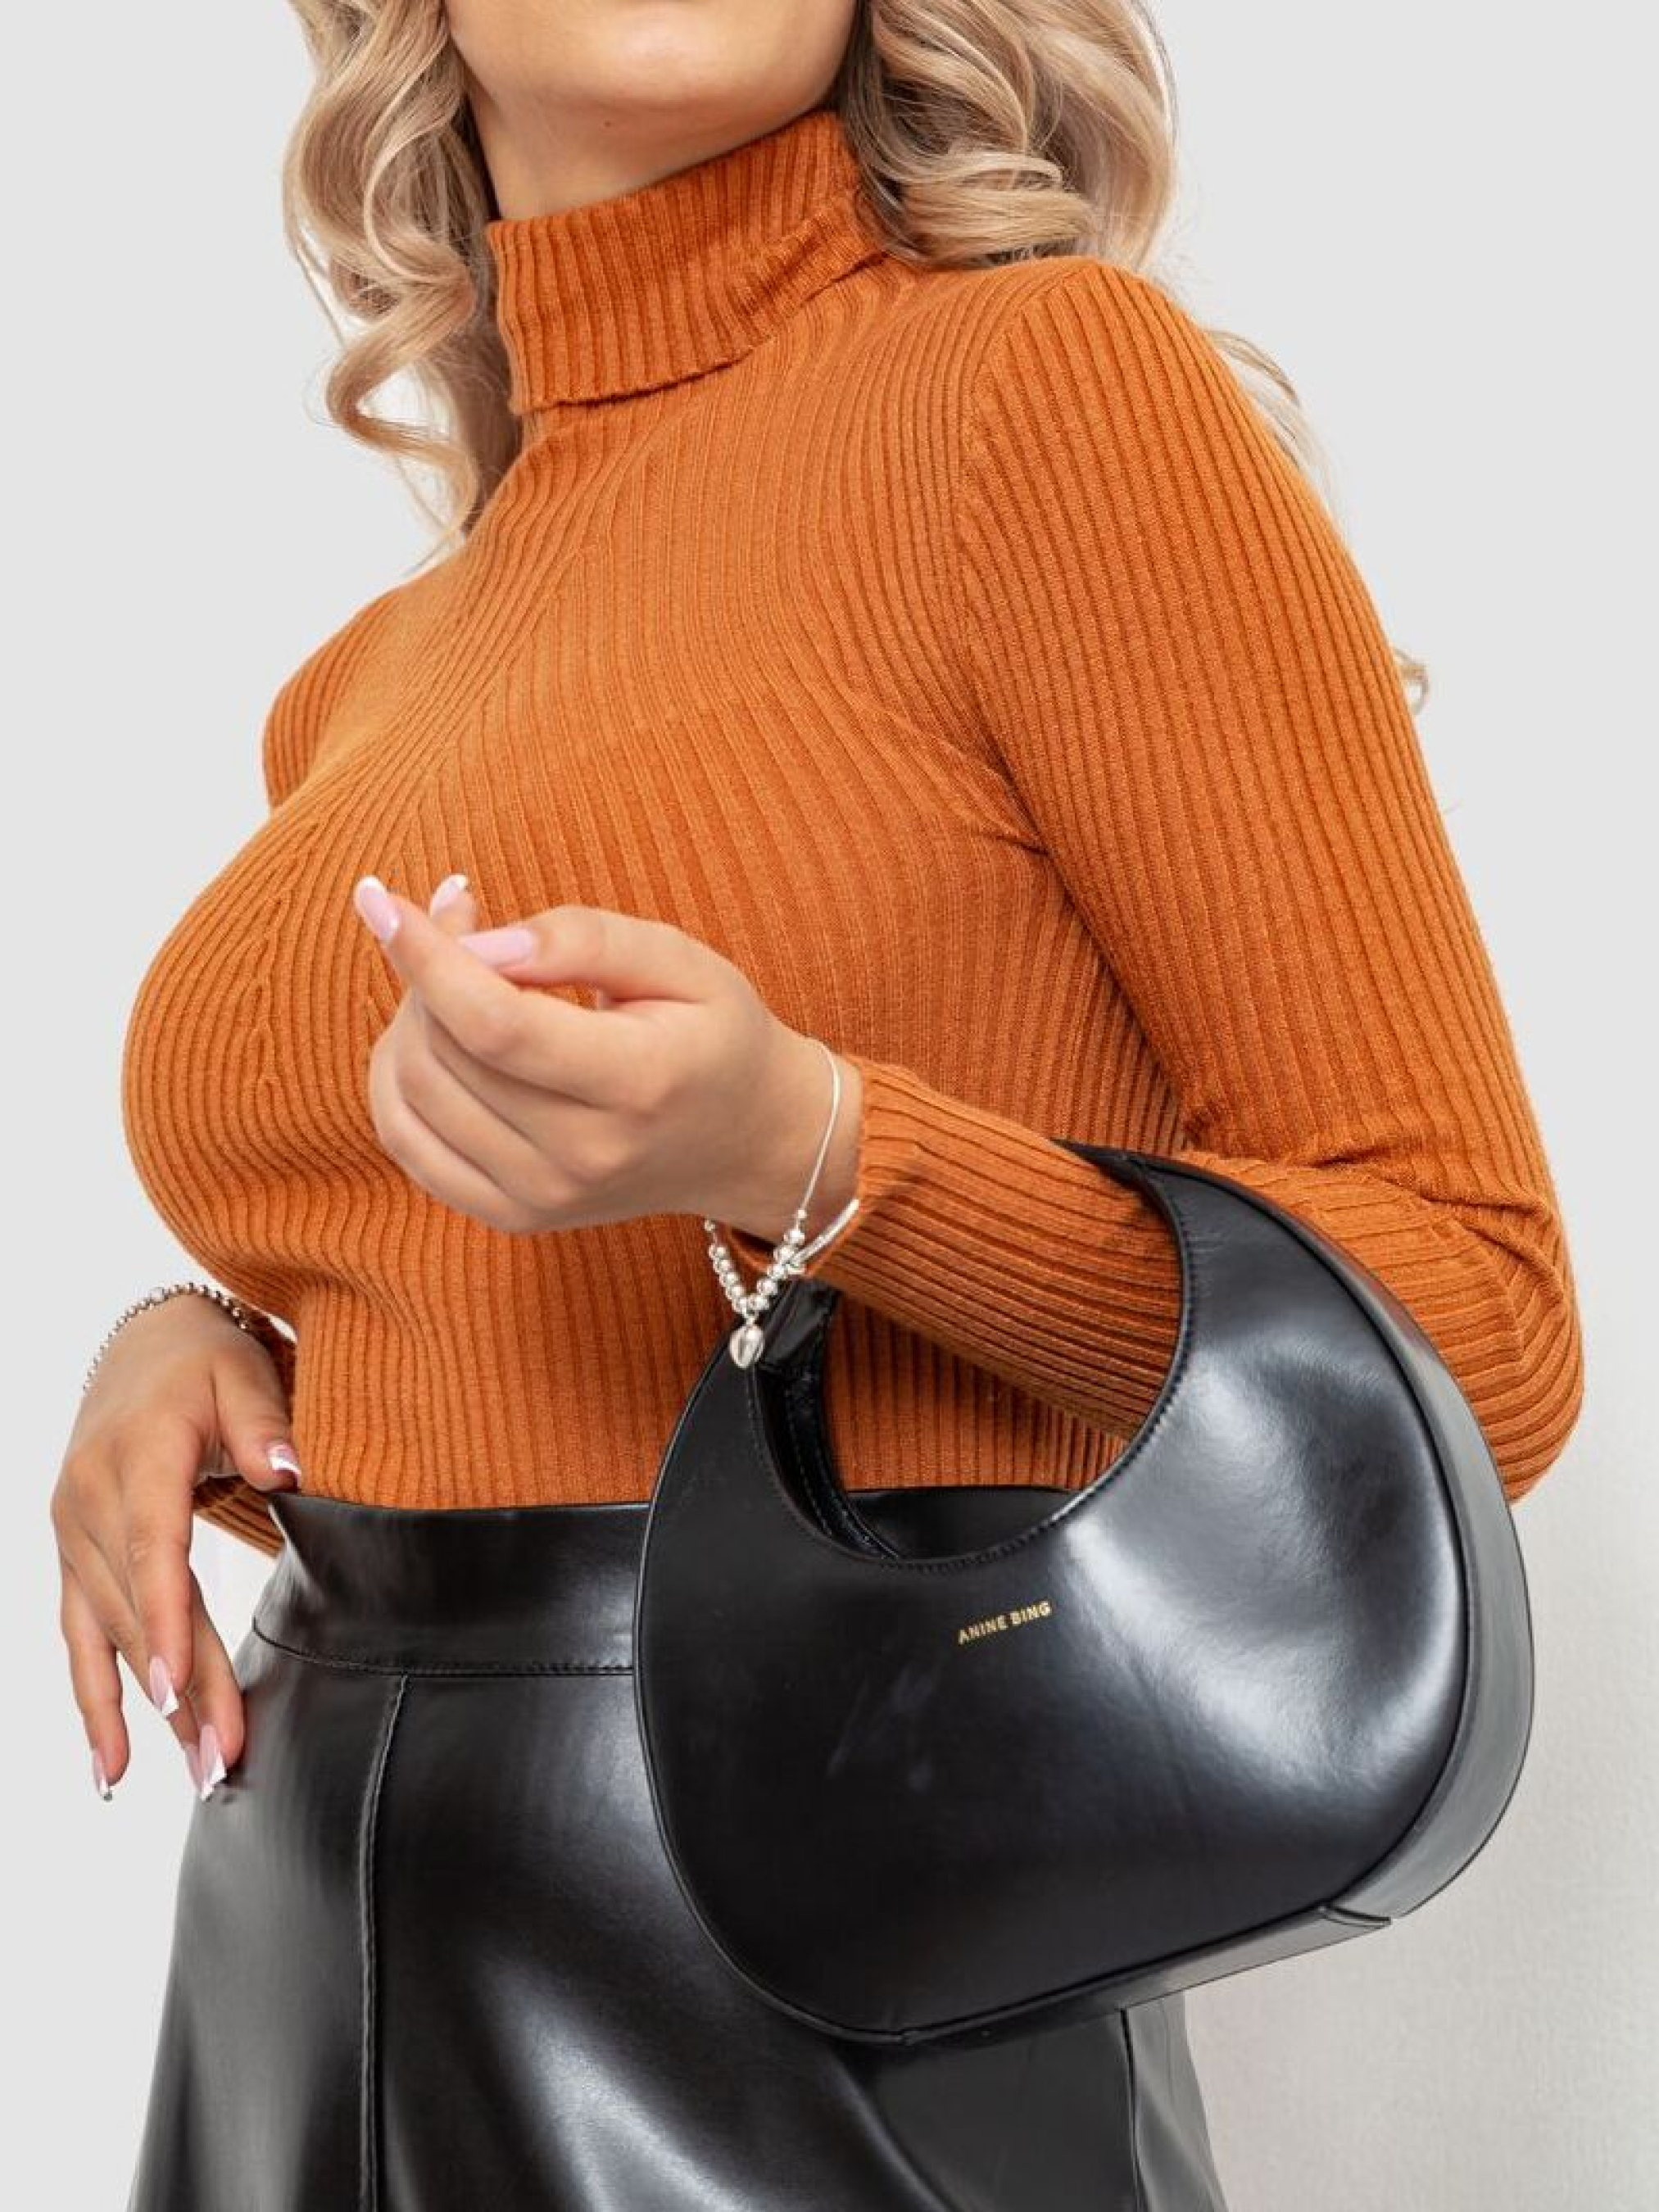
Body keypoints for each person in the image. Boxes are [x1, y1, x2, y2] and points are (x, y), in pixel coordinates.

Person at [55, 2, 1584, 2206]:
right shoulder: (364, 684)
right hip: (299, 1950)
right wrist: (197, 1338)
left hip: (814, 1967)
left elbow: (1479, 1334)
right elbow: (463, 1303)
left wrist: (819, 1158)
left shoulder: (1046, 395)